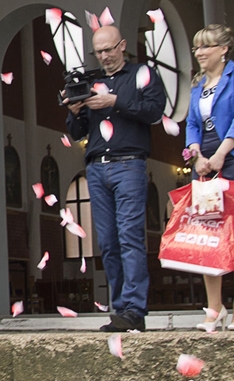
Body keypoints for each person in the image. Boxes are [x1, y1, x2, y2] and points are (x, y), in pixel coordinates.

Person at [63, 24, 169, 333]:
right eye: (99, 52)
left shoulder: (142, 74)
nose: (105, 56)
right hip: (96, 166)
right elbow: (77, 132)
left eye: (110, 49)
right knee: (108, 242)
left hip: (130, 164)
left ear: (122, 45)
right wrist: (74, 110)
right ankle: (120, 308)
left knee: (130, 237)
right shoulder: (91, 81)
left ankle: (135, 308)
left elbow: (154, 111)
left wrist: (114, 102)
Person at [183, 23, 234, 332]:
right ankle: (214, 307)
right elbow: (192, 123)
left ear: (223, 49)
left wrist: (221, 154)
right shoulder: (198, 84)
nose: (200, 53)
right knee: (208, 233)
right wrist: (196, 155)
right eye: (197, 48)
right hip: (205, 162)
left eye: (206, 47)